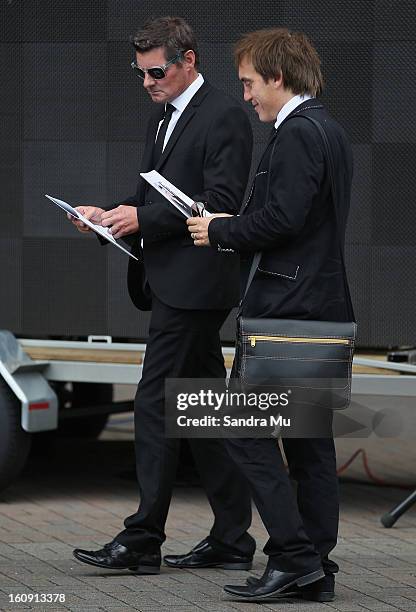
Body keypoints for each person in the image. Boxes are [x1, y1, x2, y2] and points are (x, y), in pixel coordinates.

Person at [71, 16, 255, 574]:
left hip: (198, 285)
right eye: (141, 73)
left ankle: (143, 538)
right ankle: (232, 540)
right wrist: (110, 215)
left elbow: (220, 199)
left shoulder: (224, 114)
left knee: (154, 402)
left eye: (157, 71)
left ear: (189, 60)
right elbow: (155, 194)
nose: (148, 82)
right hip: (175, 279)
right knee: (201, 409)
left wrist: (142, 218)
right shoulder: (165, 116)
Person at [187, 28, 353, 601]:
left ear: (278, 77)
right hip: (320, 308)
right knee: (310, 447)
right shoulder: (327, 130)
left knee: (244, 432)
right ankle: (314, 568)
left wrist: (220, 229)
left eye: (250, 83)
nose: (246, 96)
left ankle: (294, 558)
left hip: (288, 312)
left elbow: (281, 221)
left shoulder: (298, 136)